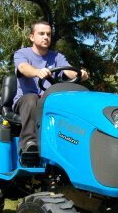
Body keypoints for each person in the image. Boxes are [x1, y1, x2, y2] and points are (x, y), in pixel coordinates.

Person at [13, 20, 89, 162]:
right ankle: (29, 145)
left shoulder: (57, 57)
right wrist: (37, 72)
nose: (46, 37)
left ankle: (72, 145)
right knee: (32, 99)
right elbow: (23, 68)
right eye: (41, 34)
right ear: (32, 37)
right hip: (26, 101)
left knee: (69, 102)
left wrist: (80, 73)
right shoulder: (22, 53)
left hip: (48, 101)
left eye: (48, 34)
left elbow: (68, 70)